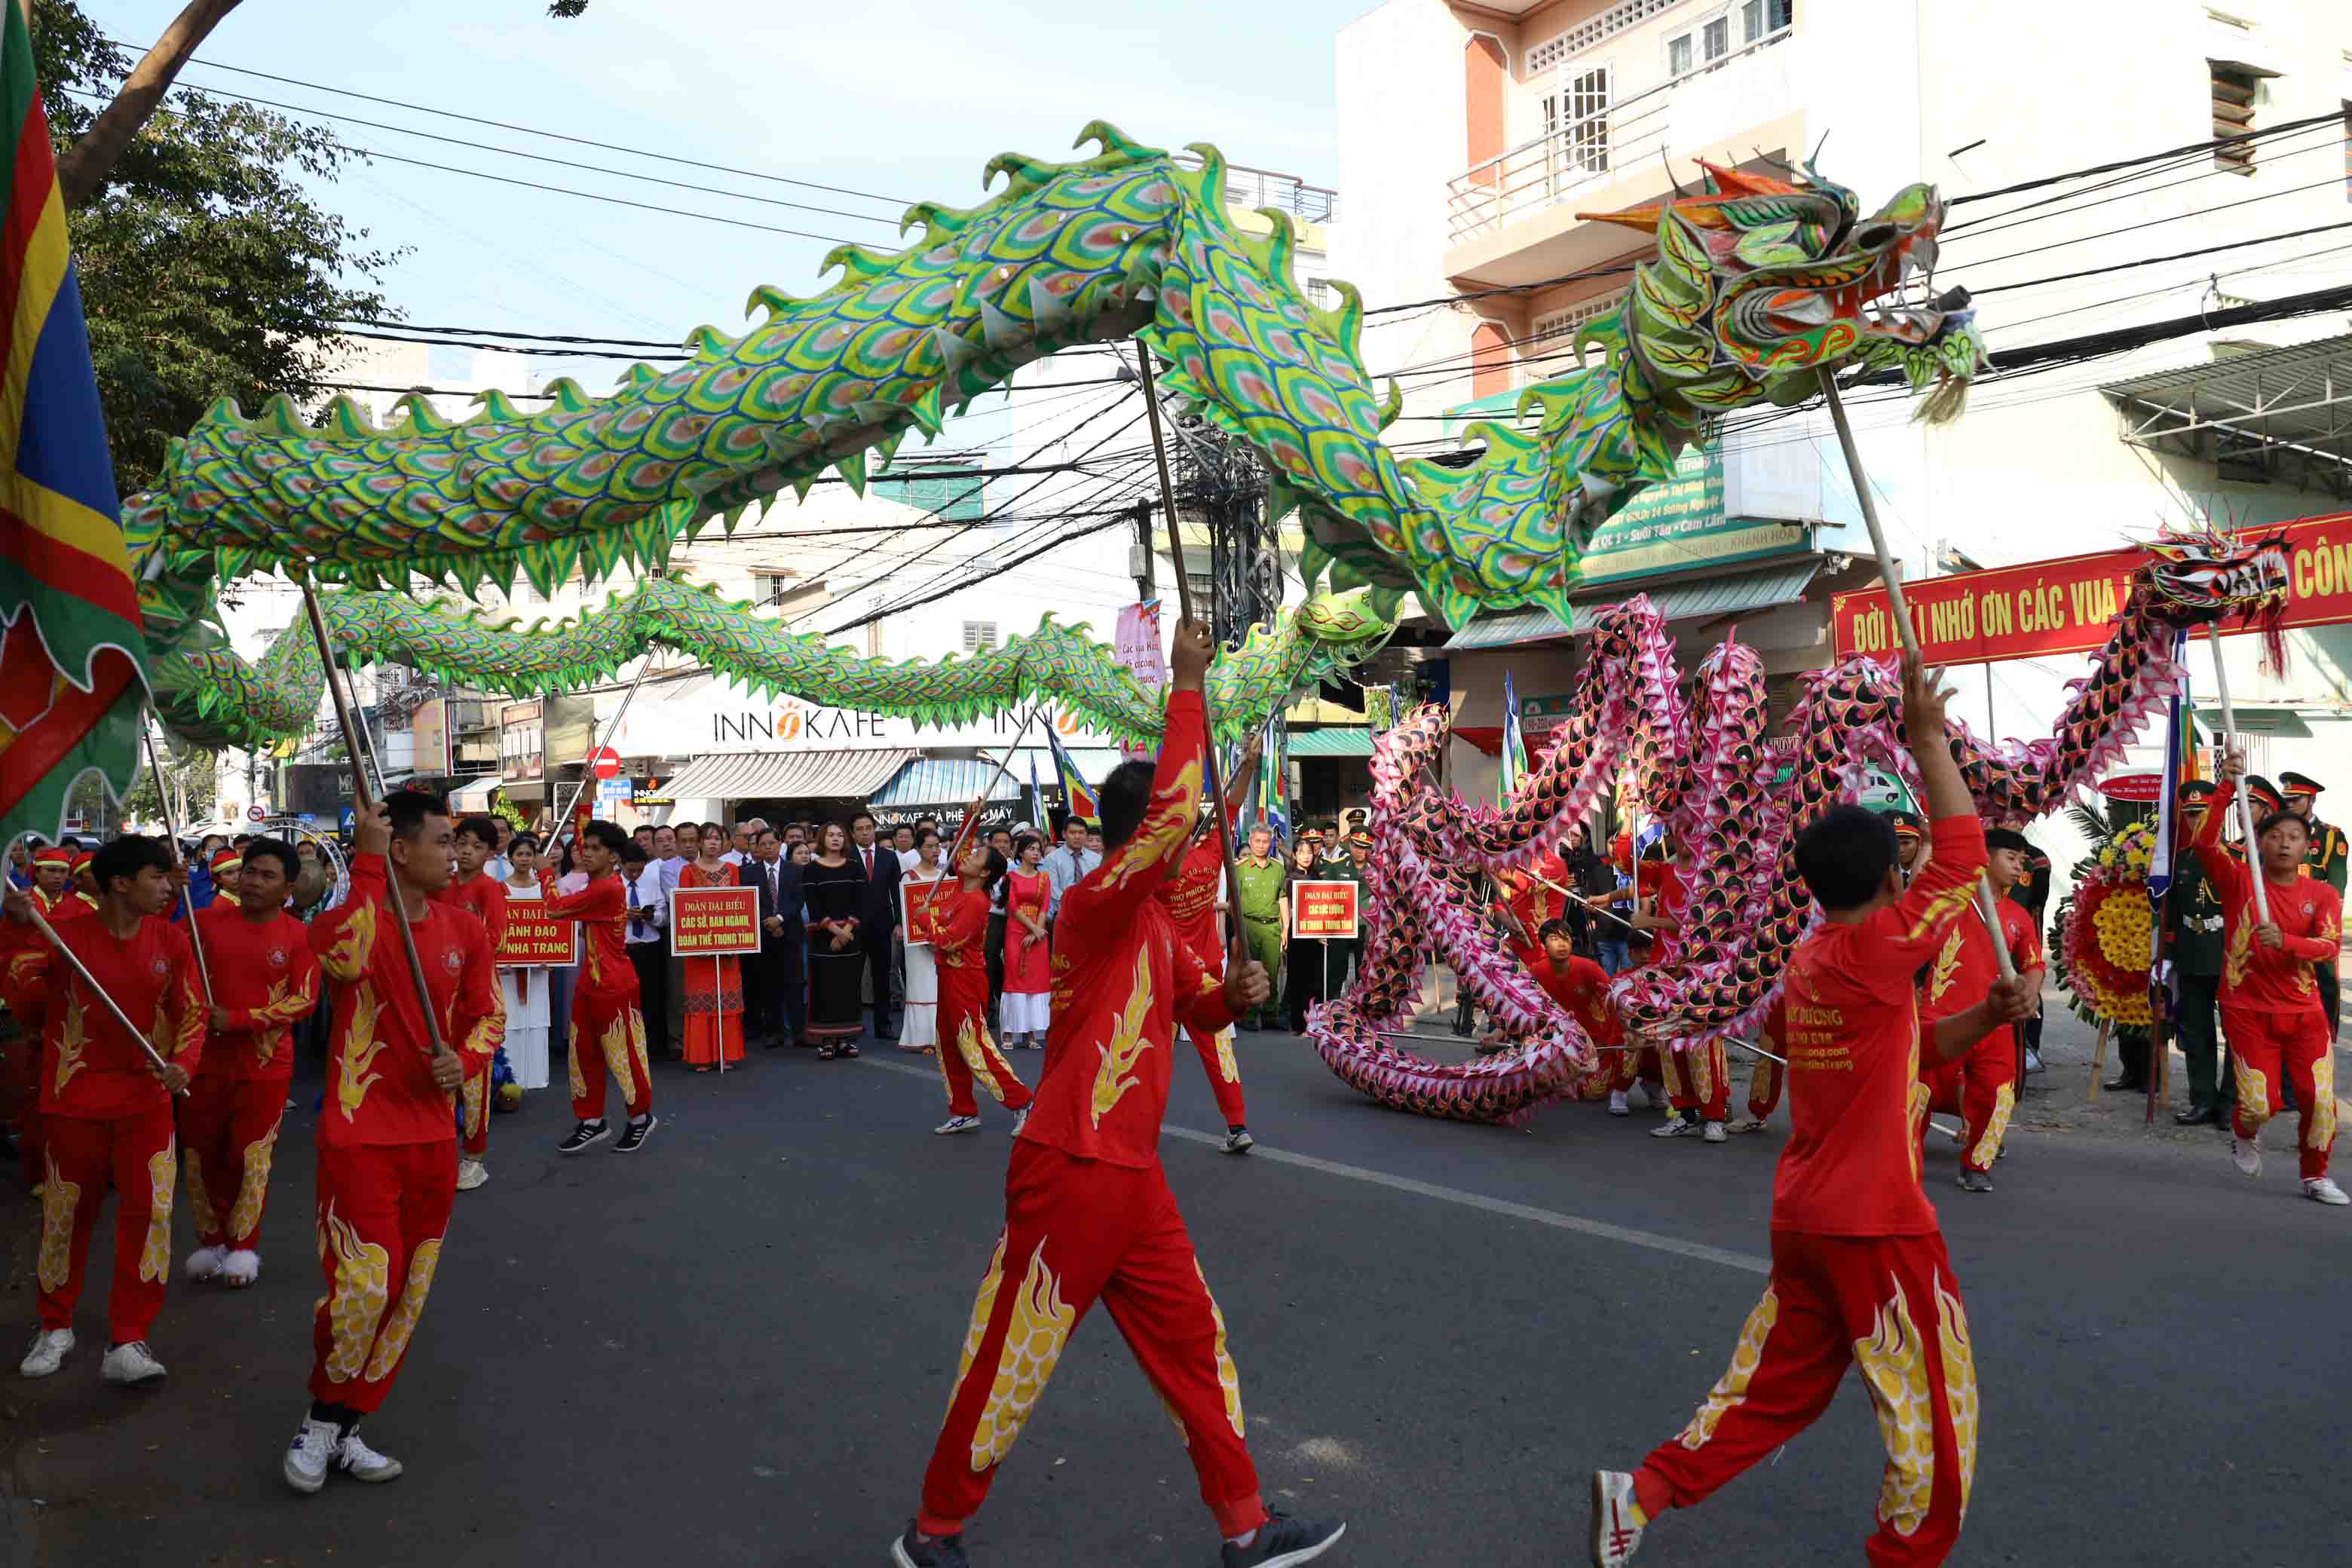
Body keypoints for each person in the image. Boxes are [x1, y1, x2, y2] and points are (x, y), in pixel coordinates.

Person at [890, 617, 1343, 1568]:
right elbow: (1178, 815)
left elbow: (1201, 1012)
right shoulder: (1097, 903)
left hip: (1133, 1174)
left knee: (1194, 1344)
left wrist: (1236, 993)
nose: (1193, 849)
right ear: (1147, 836)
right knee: (1016, 1351)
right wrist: (1187, 679)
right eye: (1178, 834)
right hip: (1069, 1163)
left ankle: (1246, 1523)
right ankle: (933, 1528)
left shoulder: (1158, 928)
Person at [1589, 651, 2020, 1568]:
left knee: (1768, 1394)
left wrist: (1983, 1015)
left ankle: (1644, 1492)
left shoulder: (1820, 956)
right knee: (1935, 1415)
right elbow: (1965, 850)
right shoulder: (1877, 947)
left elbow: (1906, 1057)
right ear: (1891, 880)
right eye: (1901, 862)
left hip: (1810, 1222)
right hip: (1876, 1225)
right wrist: (1930, 738)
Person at [281, 790, 495, 1493]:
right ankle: (318, 1418)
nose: (455, 852)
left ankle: (349, 1426)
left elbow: (485, 1018)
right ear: (402, 849)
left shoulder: (466, 928)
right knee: (364, 1285)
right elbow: (336, 954)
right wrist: (366, 866)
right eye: (441, 840)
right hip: (360, 1133)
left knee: (408, 1288)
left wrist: (460, 1062)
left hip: (432, 1135)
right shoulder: (363, 919)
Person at [3, 836, 203, 1385]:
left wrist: (184, 1060)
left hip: (146, 1101)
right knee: (67, 1215)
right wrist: (23, 932)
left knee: (151, 1215)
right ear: (120, 884)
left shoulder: (171, 939)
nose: (169, 886)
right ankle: (54, 1324)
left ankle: (130, 1337)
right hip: (74, 1101)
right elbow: (26, 1003)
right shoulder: (62, 938)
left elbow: (191, 1010)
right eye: (158, 876)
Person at [2197, 749, 2344, 1205]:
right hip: (2247, 1010)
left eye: (2294, 837)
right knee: (2262, 1105)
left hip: (2304, 1014)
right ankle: (2244, 1134)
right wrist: (2226, 786)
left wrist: (2287, 942)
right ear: (2260, 842)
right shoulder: (2239, 881)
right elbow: (2203, 844)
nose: (2283, 843)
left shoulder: (2320, 893)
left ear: (2307, 845)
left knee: (2320, 1102)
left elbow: (2330, 947)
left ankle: (2315, 1175)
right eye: (2275, 836)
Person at [184, 838, 320, 1288]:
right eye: (249, 872)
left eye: (267, 876)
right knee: (203, 1155)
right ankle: (211, 1241)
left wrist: (239, 1020)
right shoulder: (201, 922)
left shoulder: (299, 936)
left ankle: (243, 1245)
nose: (254, 882)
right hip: (201, 1062)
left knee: (250, 1156)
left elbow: (304, 1001)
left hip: (264, 1066)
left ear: (288, 888)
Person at [1916, 828, 2044, 1193]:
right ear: (1984, 856)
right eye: (2010, 857)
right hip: (1942, 1019)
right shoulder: (1950, 901)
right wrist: (1927, 843)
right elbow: (1918, 887)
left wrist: (2030, 995)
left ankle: (1977, 1164)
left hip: (1996, 1025)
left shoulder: (2018, 915)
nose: (2018, 866)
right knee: (1920, 1093)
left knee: (1997, 1093)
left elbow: (2034, 964)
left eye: (2022, 861)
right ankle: (1902, 1162)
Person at [541, 820, 657, 1153]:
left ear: (613, 856)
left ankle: (640, 1117)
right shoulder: (599, 881)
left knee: (625, 1055)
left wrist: (546, 873)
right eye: (585, 848)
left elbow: (553, 909)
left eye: (595, 849)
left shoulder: (607, 888)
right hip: (590, 983)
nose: (586, 853)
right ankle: (592, 1120)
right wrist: (588, 796)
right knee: (583, 1055)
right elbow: (579, 832)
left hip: (613, 984)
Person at [923, 831, 1034, 1136]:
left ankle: (1024, 1103)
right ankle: (963, 1111)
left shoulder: (975, 902)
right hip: (947, 977)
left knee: (975, 1046)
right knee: (948, 1047)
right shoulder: (963, 883)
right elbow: (960, 852)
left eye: (976, 858)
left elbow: (948, 941)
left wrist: (922, 920)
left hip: (966, 981)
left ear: (984, 873)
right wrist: (971, 823)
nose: (968, 858)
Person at [433, 817, 510, 1192]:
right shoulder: (440, 886)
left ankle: (474, 1159)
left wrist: (457, 950)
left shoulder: (489, 889)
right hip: (442, 994)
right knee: (442, 1080)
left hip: (477, 994)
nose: (466, 851)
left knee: (474, 1083)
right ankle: (441, 1154)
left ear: (490, 853)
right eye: (462, 842)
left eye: (477, 846)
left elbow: (495, 938)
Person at [2167, 779, 2231, 1125]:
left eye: (2201, 813)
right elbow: (2174, 912)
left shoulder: (2236, 857)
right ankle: (2202, 1100)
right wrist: (2169, 953)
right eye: (2190, 815)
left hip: (2227, 954)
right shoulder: (2182, 860)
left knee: (2236, 1033)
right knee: (2196, 1032)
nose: (2195, 820)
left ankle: (2231, 1103)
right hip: (2192, 953)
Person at [2279, 770, 2344, 1039]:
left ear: (2311, 800)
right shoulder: (2278, 835)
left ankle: (2327, 1037)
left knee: (2326, 981)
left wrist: (2321, 926)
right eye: (2288, 799)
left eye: (2296, 799)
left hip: (2317, 924)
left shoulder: (2330, 837)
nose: (2290, 804)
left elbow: (2336, 889)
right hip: (2283, 922)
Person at [677, 824, 746, 1073]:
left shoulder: (733, 870)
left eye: (718, 838)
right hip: (698, 949)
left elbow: (740, 904)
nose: (713, 843)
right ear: (699, 844)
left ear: (725, 843)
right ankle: (702, 1056)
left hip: (727, 946)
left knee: (725, 996)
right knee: (701, 998)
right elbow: (683, 908)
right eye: (708, 839)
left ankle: (725, 1054)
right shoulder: (687, 871)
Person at [804, 822, 866, 1058]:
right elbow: (814, 905)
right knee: (825, 988)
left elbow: (860, 901)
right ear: (823, 839)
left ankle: (845, 1039)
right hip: (823, 937)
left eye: (840, 835)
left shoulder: (854, 867)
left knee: (848, 987)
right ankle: (827, 1040)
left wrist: (847, 930)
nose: (836, 839)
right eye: (830, 835)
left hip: (851, 935)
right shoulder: (812, 869)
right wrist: (835, 931)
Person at [497, 837, 553, 1089]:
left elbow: (555, 924)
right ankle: (512, 1077)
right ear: (510, 858)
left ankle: (537, 1076)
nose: (524, 859)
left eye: (529, 854)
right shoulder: (499, 889)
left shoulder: (544, 889)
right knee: (510, 1021)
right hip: (507, 969)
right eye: (519, 854)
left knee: (537, 1017)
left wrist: (551, 955)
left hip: (538, 966)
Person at [748, 828, 807, 1049]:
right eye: (762, 844)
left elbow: (798, 900)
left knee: (795, 984)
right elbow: (750, 902)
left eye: (771, 843)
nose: (767, 848)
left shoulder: (795, 870)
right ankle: (773, 1032)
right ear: (757, 848)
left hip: (791, 933)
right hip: (764, 935)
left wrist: (780, 919)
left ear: (780, 844)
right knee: (769, 986)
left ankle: (799, 1031)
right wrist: (770, 922)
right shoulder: (749, 873)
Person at [850, 810, 903, 1041]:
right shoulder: (846, 857)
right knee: (853, 978)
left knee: (883, 977)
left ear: (875, 829)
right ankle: (853, 1024)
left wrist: (900, 922)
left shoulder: (888, 857)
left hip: (883, 925)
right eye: (860, 829)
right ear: (852, 834)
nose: (865, 833)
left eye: (868, 828)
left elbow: (897, 893)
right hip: (853, 926)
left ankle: (884, 1026)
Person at [999, 834, 1053, 1051]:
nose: (1036, 853)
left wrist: (1038, 931)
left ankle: (1032, 1032)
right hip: (1017, 931)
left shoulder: (1044, 878)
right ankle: (1009, 1032)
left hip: (1038, 934)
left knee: (1036, 982)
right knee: (1015, 978)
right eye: (1031, 849)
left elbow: (1045, 906)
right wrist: (1033, 929)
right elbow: (1012, 906)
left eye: (1038, 849)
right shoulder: (1009, 878)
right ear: (1020, 852)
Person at [1233, 825, 1289, 1031]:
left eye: (1265, 842)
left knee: (1272, 973)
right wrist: (1238, 932)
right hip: (1248, 926)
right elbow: (1234, 902)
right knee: (1248, 973)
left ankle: (1270, 1014)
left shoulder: (1278, 869)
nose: (1261, 845)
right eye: (1257, 841)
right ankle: (1248, 1014)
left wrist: (1286, 928)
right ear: (1250, 840)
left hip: (1272, 928)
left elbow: (1282, 899)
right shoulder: (1240, 869)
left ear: (1271, 843)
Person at [897, 828, 948, 1052]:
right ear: (918, 848)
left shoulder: (944, 875)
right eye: (929, 846)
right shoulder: (909, 877)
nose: (935, 850)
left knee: (941, 988)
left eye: (938, 845)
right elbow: (908, 912)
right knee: (921, 986)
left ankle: (942, 1037)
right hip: (918, 944)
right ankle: (921, 1038)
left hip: (942, 942)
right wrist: (928, 939)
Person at [623, 845, 672, 1061]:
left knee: (651, 998)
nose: (635, 874)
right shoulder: (612, 885)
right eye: (631, 870)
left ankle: (651, 1046)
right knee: (623, 1000)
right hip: (623, 948)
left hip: (649, 946)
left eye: (639, 870)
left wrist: (651, 917)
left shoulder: (652, 883)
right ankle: (622, 1046)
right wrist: (623, 916)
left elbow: (664, 916)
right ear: (621, 865)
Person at [1282, 836, 1334, 1032]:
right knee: (1297, 980)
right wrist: (1284, 930)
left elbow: (1323, 907)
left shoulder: (1317, 878)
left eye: (1309, 852)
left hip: (1316, 936)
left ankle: (1315, 1023)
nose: (1306, 856)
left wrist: (1323, 931)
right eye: (1301, 852)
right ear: (1295, 855)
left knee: (1315, 980)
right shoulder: (1289, 879)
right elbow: (1285, 907)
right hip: (1297, 935)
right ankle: (1299, 1024)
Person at [1040, 813, 1100, 919]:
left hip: (1092, 913)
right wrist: (1074, 907)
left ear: (1086, 835)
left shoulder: (1096, 859)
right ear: (1064, 834)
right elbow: (1054, 891)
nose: (1077, 836)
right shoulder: (1052, 859)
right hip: (1064, 915)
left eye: (1081, 833)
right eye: (1073, 833)